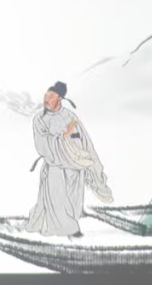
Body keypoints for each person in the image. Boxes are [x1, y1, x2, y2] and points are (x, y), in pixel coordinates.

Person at [24, 81, 113, 239]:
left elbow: (85, 142)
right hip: (55, 168)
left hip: (75, 169)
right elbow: (42, 144)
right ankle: (69, 229)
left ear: (59, 99)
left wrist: (92, 165)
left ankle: (69, 226)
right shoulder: (39, 119)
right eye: (45, 96)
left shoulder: (71, 117)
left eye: (50, 96)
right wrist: (63, 137)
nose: (46, 99)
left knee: (72, 203)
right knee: (56, 200)